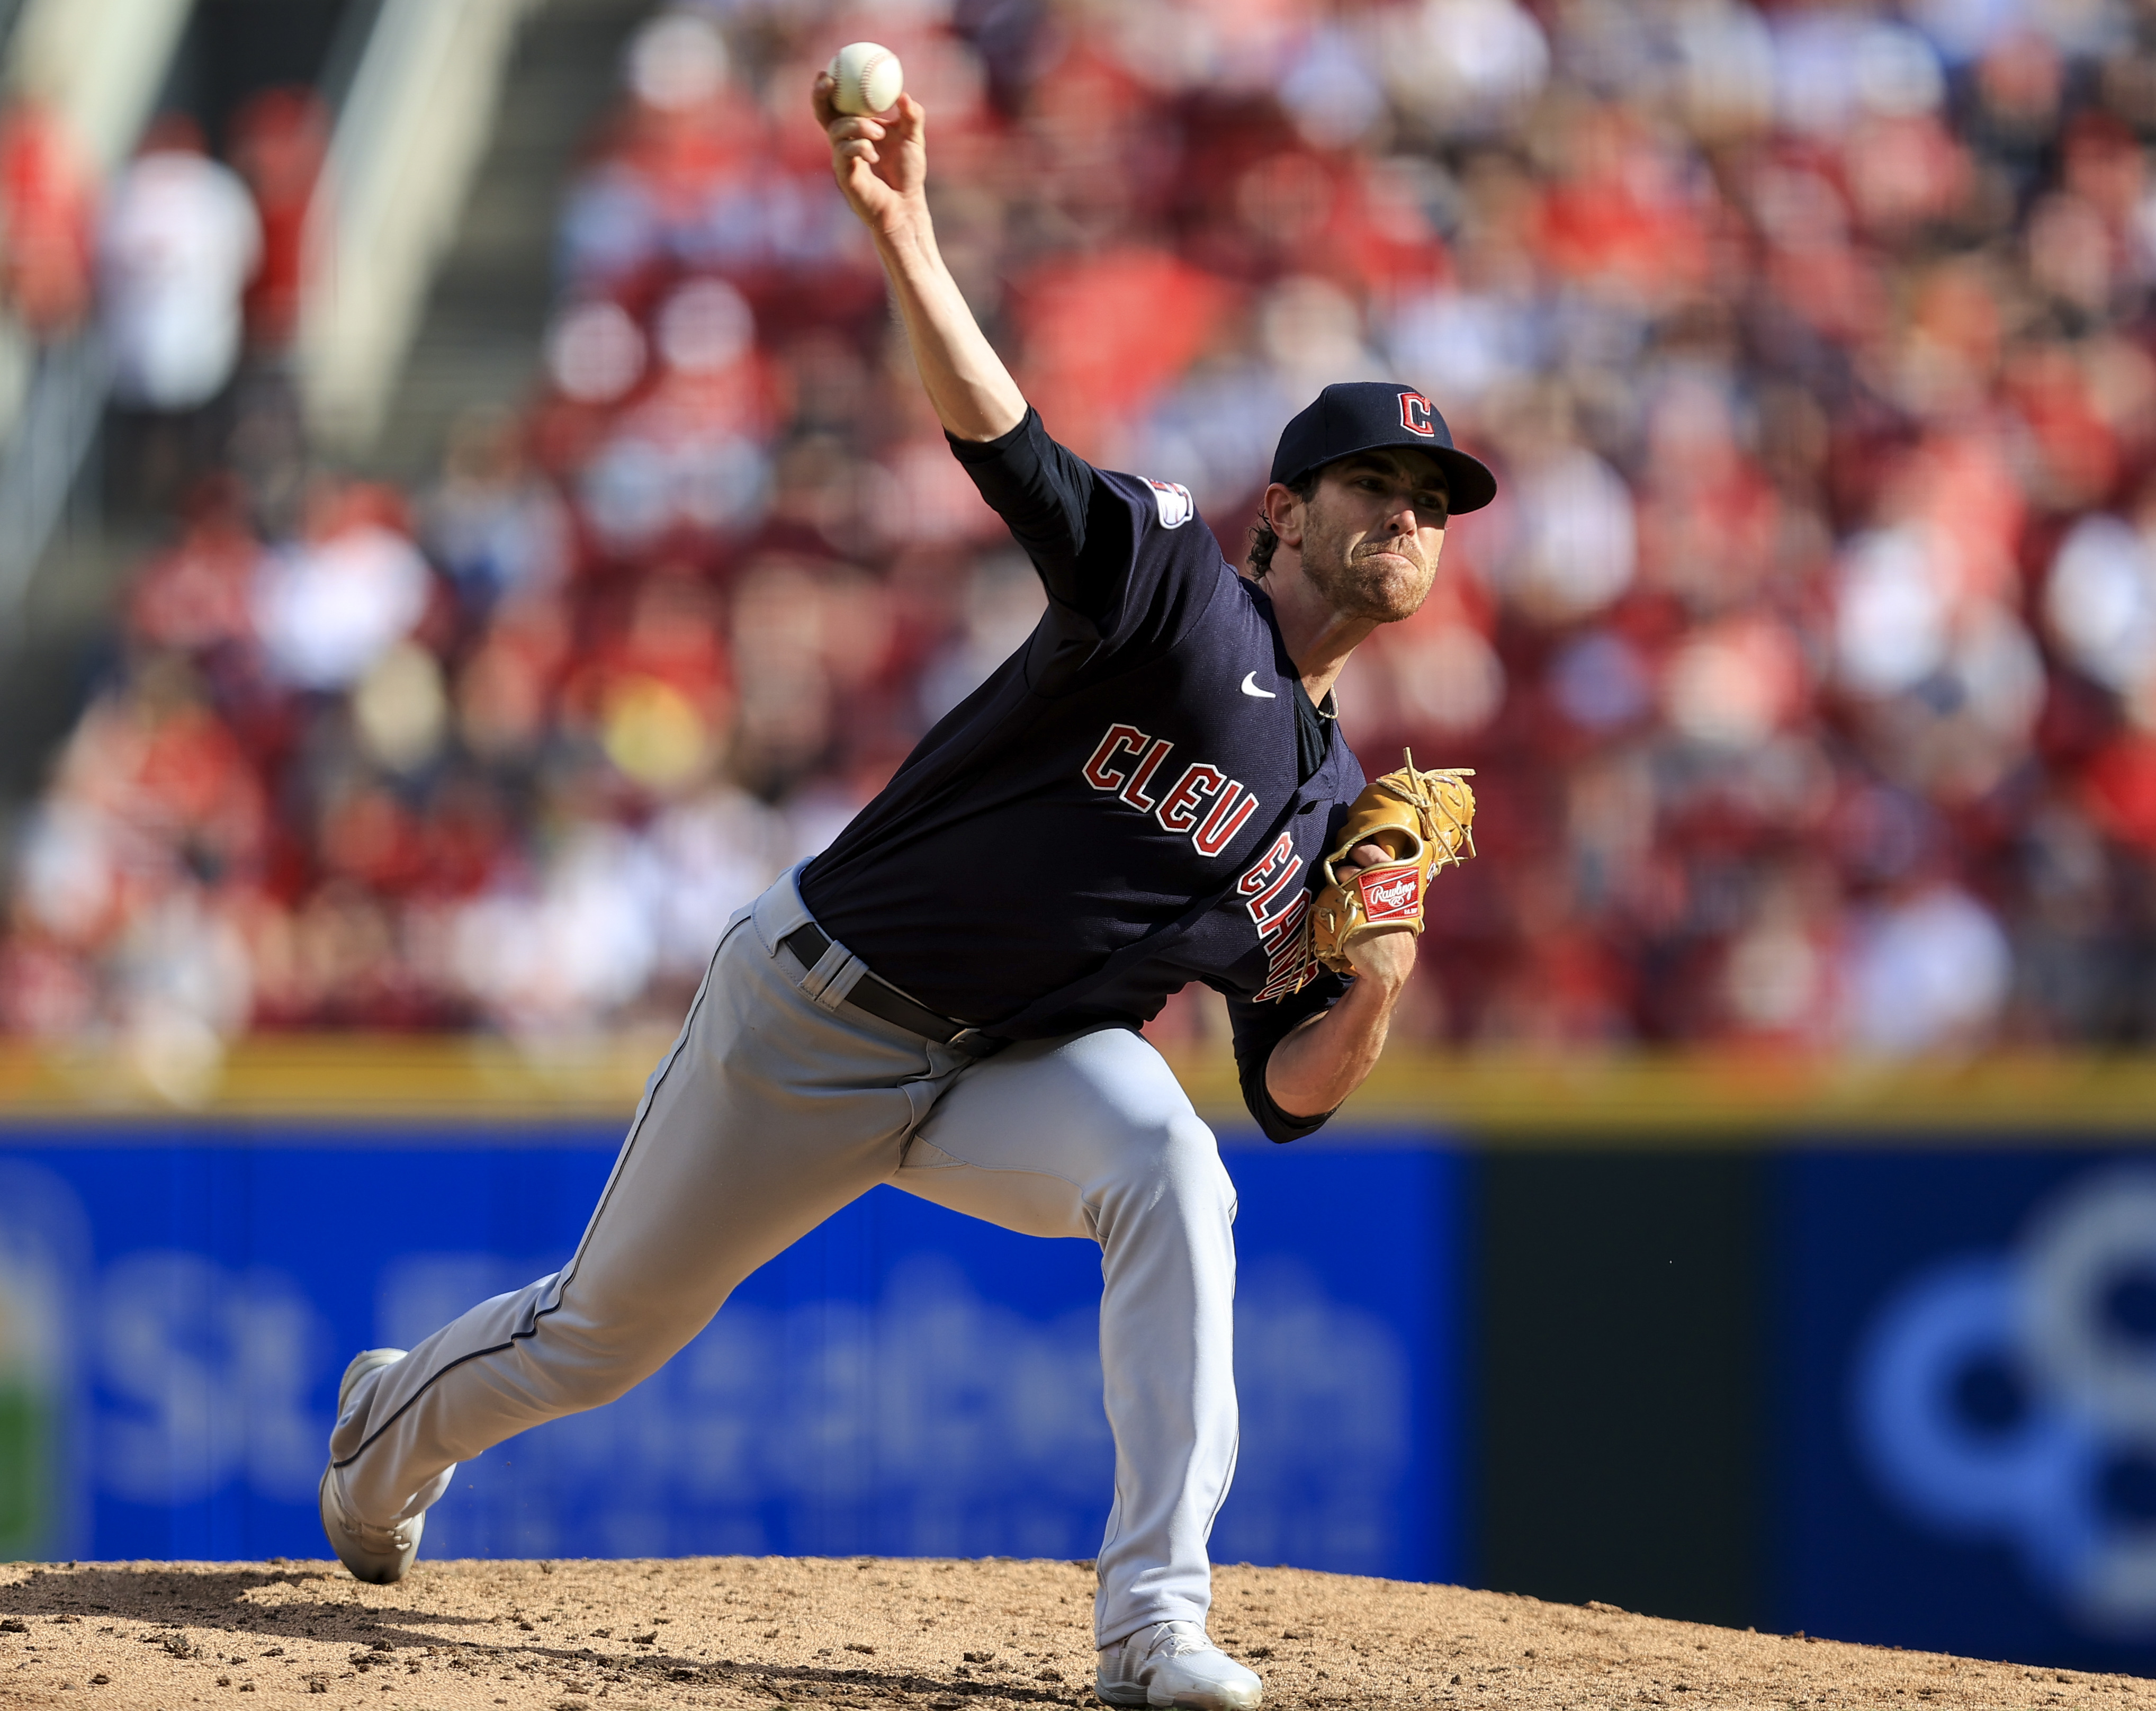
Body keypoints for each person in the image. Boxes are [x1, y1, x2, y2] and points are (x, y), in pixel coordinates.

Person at [315, 72, 1496, 1711]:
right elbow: (1010, 449)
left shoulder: (1323, 799)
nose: (1409, 520)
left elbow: (1286, 1095)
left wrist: (1376, 971)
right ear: (1286, 510)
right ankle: (386, 1434)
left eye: (1433, 508)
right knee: (601, 1340)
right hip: (822, 1012)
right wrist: (906, 235)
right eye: (1378, 487)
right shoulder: (1171, 588)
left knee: (1177, 1166)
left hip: (1007, 1069)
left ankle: (1154, 1624)